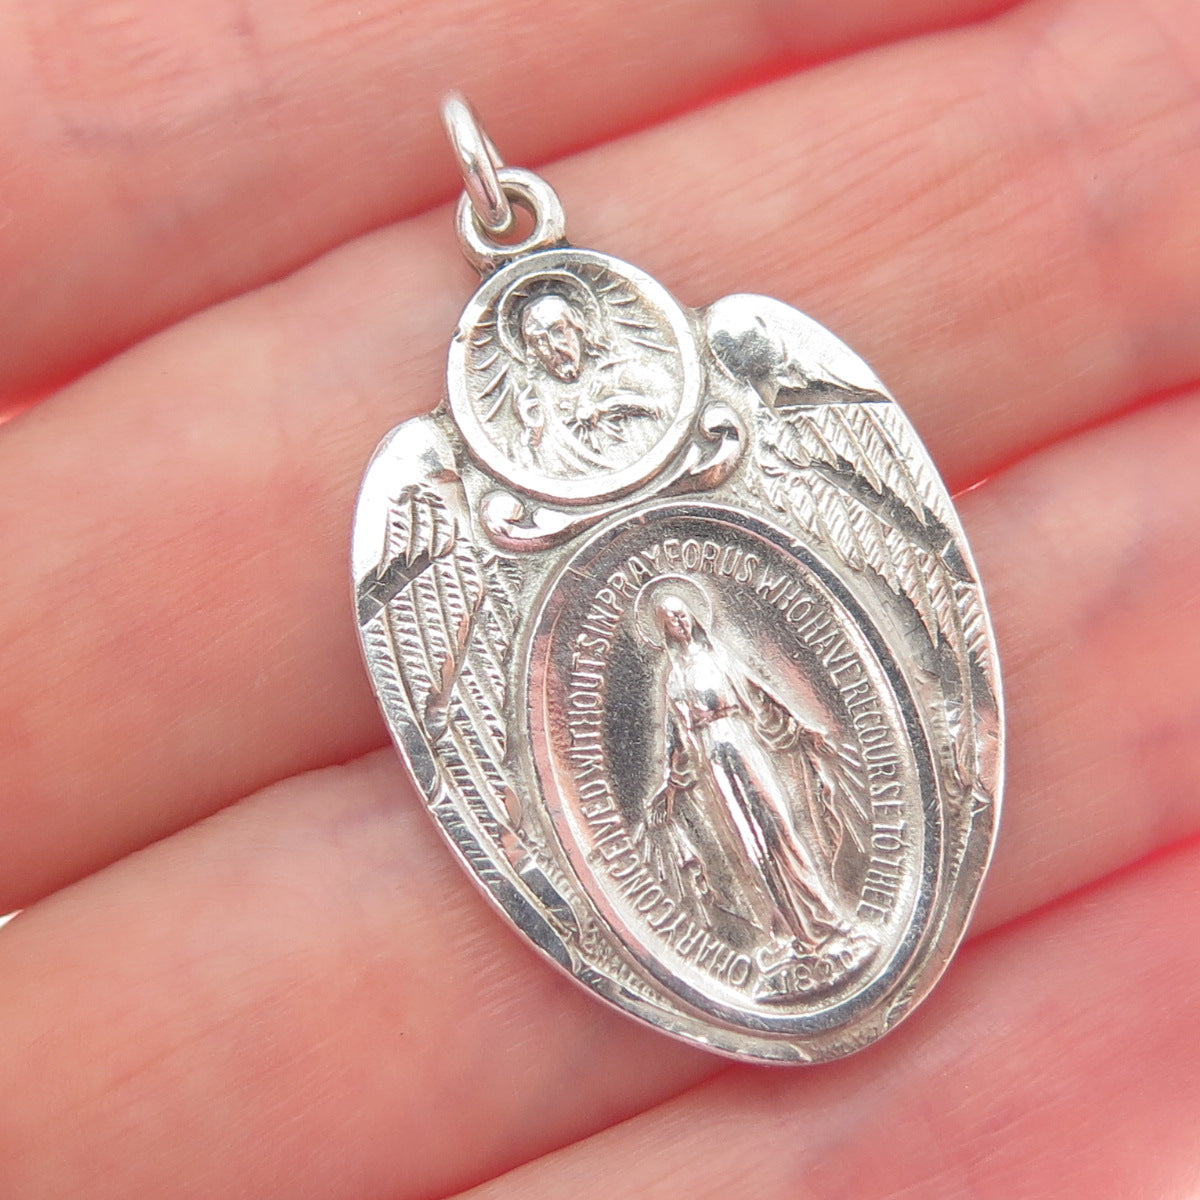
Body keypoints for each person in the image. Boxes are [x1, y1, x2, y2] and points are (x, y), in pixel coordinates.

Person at [0, 0, 1196, 1196]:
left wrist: (809, 733)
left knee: (788, 831)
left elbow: (794, 700)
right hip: (707, 768)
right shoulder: (494, 501)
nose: (566, 357)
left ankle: (830, 920)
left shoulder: (704, 403)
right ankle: (789, 933)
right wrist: (674, 778)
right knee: (743, 846)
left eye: (572, 337)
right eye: (549, 348)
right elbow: (655, 749)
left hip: (758, 751)